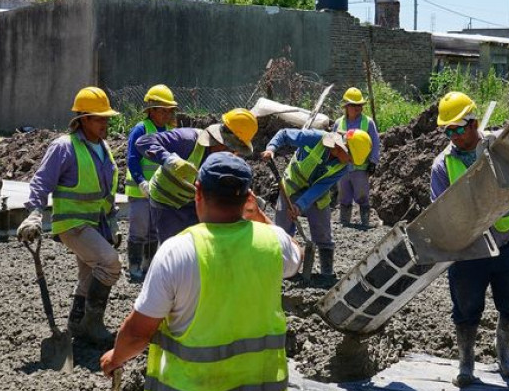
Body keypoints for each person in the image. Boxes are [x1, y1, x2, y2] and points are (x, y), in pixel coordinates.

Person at [101, 153, 302, 391]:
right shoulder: (271, 243)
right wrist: (258, 214)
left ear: (198, 194)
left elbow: (140, 330)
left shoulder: (178, 252)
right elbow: (297, 253)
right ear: (246, 196)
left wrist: (115, 357)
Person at [431, 91, 509, 387]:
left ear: (474, 123)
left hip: (507, 243)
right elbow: (440, 212)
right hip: (468, 252)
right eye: (448, 130)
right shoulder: (441, 166)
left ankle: (502, 348)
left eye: (459, 129)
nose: (454, 136)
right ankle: (466, 359)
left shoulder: (497, 148)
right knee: (466, 309)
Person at [17, 86, 123, 344]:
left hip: (95, 224)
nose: (105, 123)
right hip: (73, 224)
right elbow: (42, 182)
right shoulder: (64, 147)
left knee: (89, 274)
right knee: (110, 264)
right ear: (83, 119)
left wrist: (112, 223)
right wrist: (34, 214)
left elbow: (105, 191)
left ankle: (76, 324)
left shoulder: (103, 147)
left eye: (107, 118)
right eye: (99, 118)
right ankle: (93, 324)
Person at [136, 108, 258, 251]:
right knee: (174, 249)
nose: (232, 153)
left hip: (192, 203)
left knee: (199, 247)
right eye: (231, 148)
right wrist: (168, 160)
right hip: (166, 201)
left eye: (236, 150)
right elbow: (144, 141)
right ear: (221, 140)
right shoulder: (188, 140)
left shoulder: (226, 157)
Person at [261, 126, 371, 280]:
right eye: (351, 158)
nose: (351, 163)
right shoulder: (317, 138)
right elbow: (284, 134)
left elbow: (320, 187)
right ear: (343, 148)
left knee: (323, 233)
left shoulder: (343, 167)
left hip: (317, 195)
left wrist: (300, 206)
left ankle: (326, 274)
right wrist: (271, 149)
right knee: (282, 231)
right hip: (291, 187)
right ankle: (281, 269)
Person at [125, 84, 178, 283]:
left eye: (169, 110)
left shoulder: (170, 131)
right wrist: (141, 181)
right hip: (140, 191)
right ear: (152, 110)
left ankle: (149, 266)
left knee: (154, 230)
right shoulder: (141, 129)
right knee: (139, 230)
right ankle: (135, 267)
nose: (167, 114)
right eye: (163, 110)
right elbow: (132, 158)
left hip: (159, 191)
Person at [334, 87, 381, 227]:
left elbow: (375, 143)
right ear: (346, 106)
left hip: (361, 167)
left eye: (360, 105)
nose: (358, 108)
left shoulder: (368, 122)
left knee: (362, 195)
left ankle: (365, 222)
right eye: (354, 105)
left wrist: (373, 161)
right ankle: (344, 222)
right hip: (343, 167)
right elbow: (333, 143)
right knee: (344, 196)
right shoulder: (339, 123)